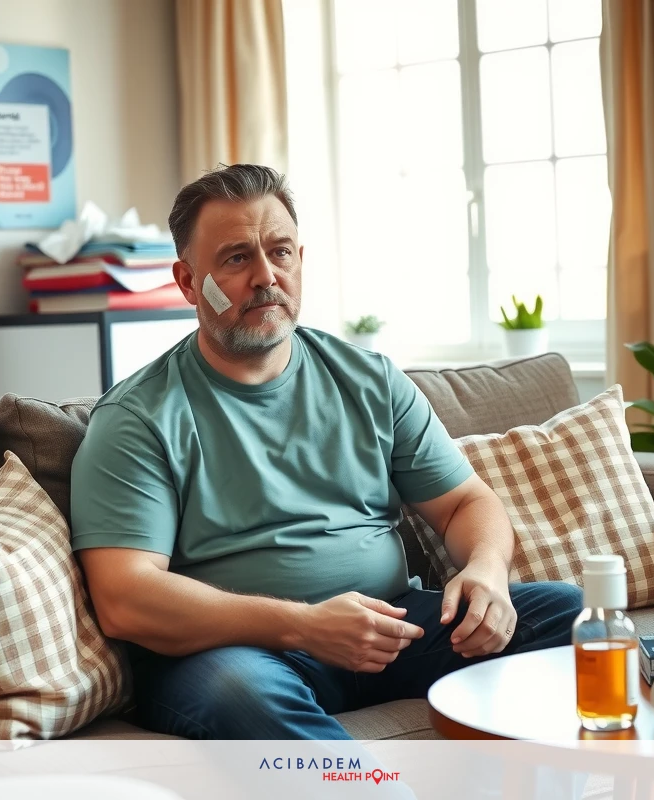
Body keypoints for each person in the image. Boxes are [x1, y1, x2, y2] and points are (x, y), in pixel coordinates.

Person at [70, 163, 584, 741]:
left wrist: (488, 570)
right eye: (237, 258)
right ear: (189, 282)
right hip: (239, 653)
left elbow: (466, 501)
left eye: (281, 252)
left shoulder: (369, 380)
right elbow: (125, 597)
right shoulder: (139, 418)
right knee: (241, 695)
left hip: (387, 627)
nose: (266, 276)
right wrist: (303, 625)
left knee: (567, 613)